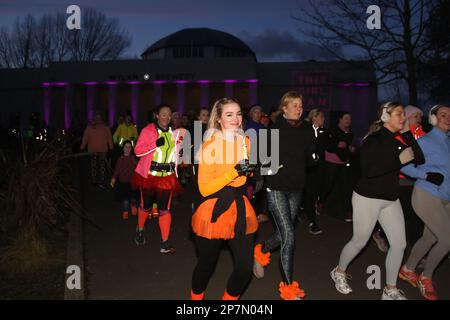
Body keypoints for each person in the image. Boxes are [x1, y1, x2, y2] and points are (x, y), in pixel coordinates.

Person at [330, 101, 425, 300]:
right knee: (359, 241)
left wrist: (408, 134)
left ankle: (390, 289)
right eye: (398, 114)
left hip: (390, 199)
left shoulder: (399, 138)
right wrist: (398, 160)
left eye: (403, 114)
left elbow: (420, 159)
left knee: (399, 245)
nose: (403, 117)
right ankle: (339, 271)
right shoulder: (373, 140)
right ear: (385, 117)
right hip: (368, 198)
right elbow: (370, 171)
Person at [190, 98, 259, 300]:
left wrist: (252, 172)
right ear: (219, 119)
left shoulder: (246, 141)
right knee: (206, 265)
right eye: (229, 114)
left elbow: (244, 175)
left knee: (245, 268)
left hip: (239, 207)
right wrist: (234, 171)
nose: (236, 119)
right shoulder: (209, 146)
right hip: (214, 208)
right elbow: (204, 188)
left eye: (238, 114)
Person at [253, 91, 316, 300]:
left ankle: (261, 250)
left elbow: (310, 158)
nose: (299, 108)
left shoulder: (307, 129)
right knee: (289, 237)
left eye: (300, 105)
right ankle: (289, 289)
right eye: (294, 105)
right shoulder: (274, 128)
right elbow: (262, 158)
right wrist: (267, 173)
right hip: (277, 187)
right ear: (285, 108)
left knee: (282, 234)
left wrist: (314, 155)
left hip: (296, 187)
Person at [399, 104, 450, 300]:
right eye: (443, 114)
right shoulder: (426, 141)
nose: (447, 118)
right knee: (447, 239)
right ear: (434, 118)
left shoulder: (448, 141)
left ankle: (408, 269)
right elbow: (405, 164)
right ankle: (425, 277)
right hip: (427, 194)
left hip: (446, 198)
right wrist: (426, 174)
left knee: (431, 238)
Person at [372, 104, 428, 253]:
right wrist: (425, 174)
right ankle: (383, 234)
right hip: (399, 180)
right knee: (406, 213)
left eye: (421, 117)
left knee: (411, 215)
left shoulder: (422, 135)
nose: (419, 119)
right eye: (415, 116)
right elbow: (399, 162)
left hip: (416, 181)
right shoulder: (396, 135)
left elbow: (422, 159)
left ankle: (410, 247)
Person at [131, 104, 184, 253]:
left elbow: (176, 155)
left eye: (169, 115)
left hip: (167, 177)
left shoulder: (174, 133)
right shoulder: (148, 130)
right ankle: (140, 229)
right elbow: (138, 151)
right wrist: (155, 144)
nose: (166, 118)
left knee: (164, 210)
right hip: (149, 176)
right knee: (146, 206)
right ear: (156, 115)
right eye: (163, 114)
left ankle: (165, 242)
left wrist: (181, 157)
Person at [317, 111, 355, 222]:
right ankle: (320, 203)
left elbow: (347, 146)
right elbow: (328, 146)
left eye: (350, 119)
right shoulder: (332, 131)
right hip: (331, 162)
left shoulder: (350, 132)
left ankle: (348, 212)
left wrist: (350, 148)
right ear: (340, 119)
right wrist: (340, 146)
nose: (349, 121)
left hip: (343, 162)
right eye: (346, 118)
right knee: (328, 185)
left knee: (346, 187)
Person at [244, 104, 270, 224]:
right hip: (250, 161)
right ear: (251, 113)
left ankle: (257, 213)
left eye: (260, 112)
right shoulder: (246, 126)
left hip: (261, 161)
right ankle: (249, 213)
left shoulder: (262, 127)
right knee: (251, 187)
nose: (258, 114)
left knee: (259, 187)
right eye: (255, 111)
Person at [302, 109, 326, 235]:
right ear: (314, 117)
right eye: (321, 116)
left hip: (318, 168)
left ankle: (307, 211)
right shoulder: (306, 130)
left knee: (313, 192)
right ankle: (312, 222)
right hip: (307, 169)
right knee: (309, 194)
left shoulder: (322, 131)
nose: (324, 119)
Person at [80, 112, 113, 188]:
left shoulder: (103, 127)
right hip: (96, 150)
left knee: (98, 166)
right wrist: (111, 147)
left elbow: (109, 138)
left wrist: (82, 147)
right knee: (98, 166)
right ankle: (98, 181)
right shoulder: (100, 127)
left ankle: (97, 181)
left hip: (98, 150)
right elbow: (85, 138)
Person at [110, 140, 138, 219]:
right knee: (125, 199)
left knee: (133, 197)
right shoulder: (120, 159)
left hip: (132, 182)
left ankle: (133, 207)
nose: (128, 149)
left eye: (129, 147)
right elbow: (117, 170)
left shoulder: (133, 158)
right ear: (123, 148)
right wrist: (114, 178)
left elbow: (137, 168)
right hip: (123, 182)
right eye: (126, 147)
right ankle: (125, 211)